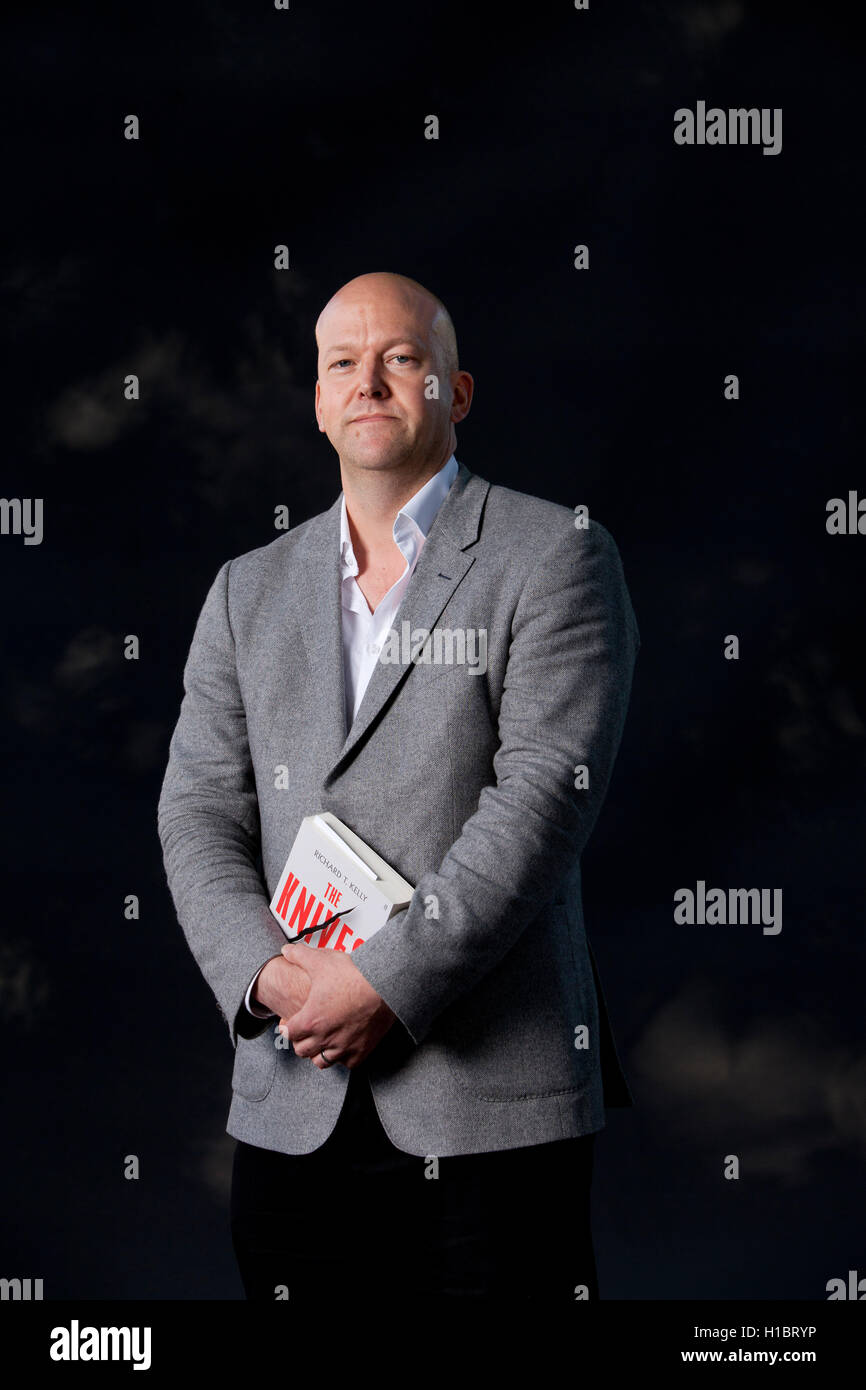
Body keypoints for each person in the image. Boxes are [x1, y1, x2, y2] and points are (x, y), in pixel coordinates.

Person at [157, 271, 640, 1301]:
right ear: (320, 397)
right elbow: (197, 809)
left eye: (401, 358)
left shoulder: (554, 554)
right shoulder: (246, 590)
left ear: (454, 393)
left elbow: (544, 797)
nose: (368, 380)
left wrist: (382, 982)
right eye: (343, 362)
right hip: (292, 1097)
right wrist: (265, 974)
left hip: (490, 1111)